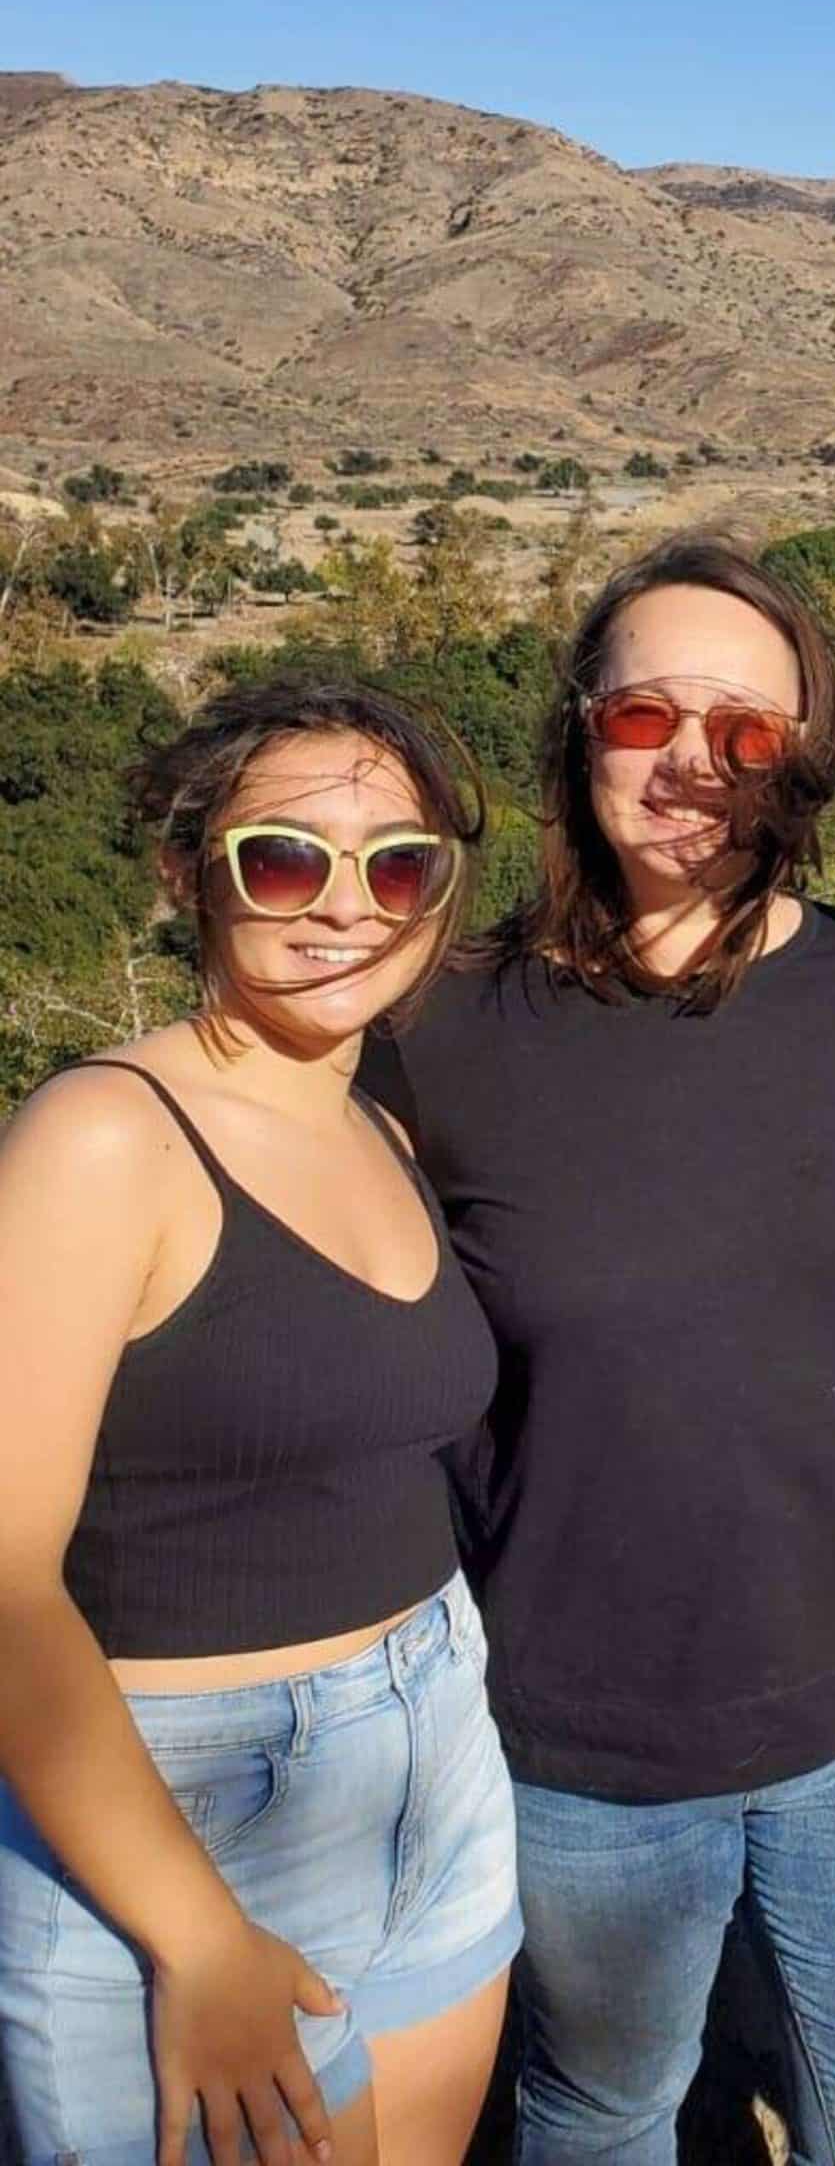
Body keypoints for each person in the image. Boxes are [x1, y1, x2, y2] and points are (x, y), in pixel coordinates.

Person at [359, 538, 835, 2166]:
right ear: (579, 734)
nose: (693, 762)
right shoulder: (441, 1033)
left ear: (806, 762)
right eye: (645, 714)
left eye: (748, 732)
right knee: (611, 2110)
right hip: (580, 1752)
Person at [0, 679, 514, 2166]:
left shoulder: (377, 1122)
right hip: (189, 1802)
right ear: (188, 874)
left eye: (397, 864)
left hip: (432, 1753)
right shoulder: (104, 1139)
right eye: (283, 857)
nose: (343, 907)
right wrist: (200, 1941)